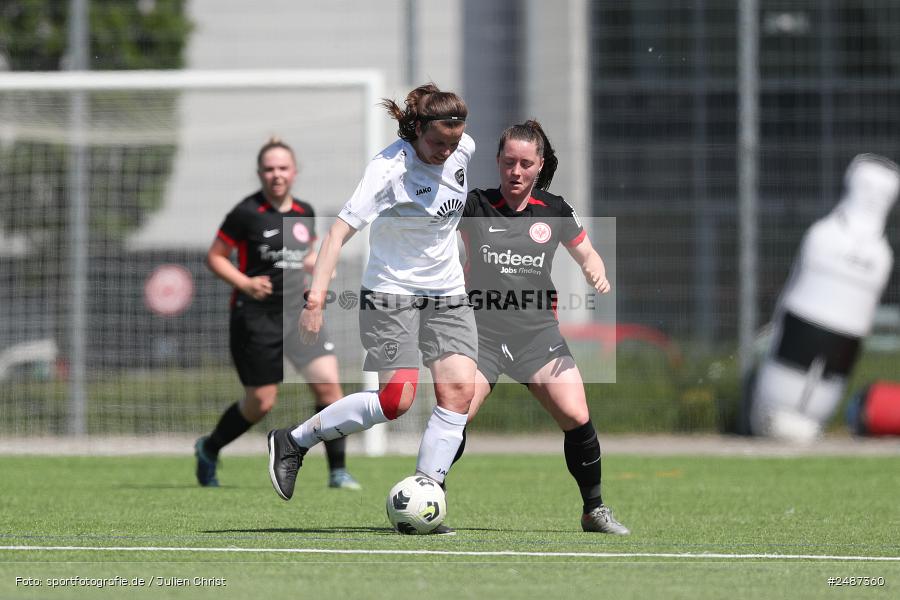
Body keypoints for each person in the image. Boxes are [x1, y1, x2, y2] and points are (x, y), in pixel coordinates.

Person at [267, 83, 477, 535]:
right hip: (390, 293)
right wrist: (316, 300)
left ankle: (428, 496)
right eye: (438, 143)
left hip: (448, 292)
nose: (446, 151)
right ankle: (294, 440)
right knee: (397, 400)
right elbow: (337, 234)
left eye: (454, 143)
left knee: (458, 393)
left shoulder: (464, 149)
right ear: (416, 130)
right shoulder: (388, 170)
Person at [455, 119, 629, 534]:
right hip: (482, 336)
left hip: (537, 337)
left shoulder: (554, 210)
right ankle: (428, 493)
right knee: (455, 413)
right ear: (497, 162)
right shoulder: (475, 205)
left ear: (540, 165)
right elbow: (437, 245)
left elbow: (588, 253)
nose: (516, 172)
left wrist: (594, 271)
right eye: (509, 162)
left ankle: (594, 510)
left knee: (576, 413)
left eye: (525, 164)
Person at [195, 138, 360, 490]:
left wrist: (321, 268)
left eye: (283, 168)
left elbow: (308, 257)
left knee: (330, 390)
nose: (276, 174)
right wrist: (245, 282)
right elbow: (215, 257)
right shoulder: (245, 214)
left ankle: (338, 471)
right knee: (261, 402)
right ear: (259, 173)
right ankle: (209, 449)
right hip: (255, 318)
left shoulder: (303, 212)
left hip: (299, 315)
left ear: (294, 172)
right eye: (269, 169)